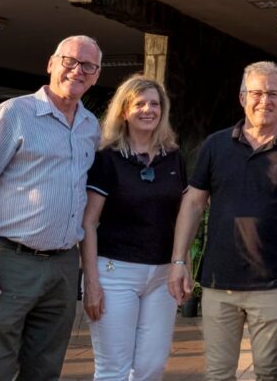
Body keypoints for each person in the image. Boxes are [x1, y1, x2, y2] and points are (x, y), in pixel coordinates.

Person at [0, 35, 102, 380]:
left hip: (63, 266)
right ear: (51, 63)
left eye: (88, 66)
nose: (77, 71)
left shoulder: (90, 126)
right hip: (9, 263)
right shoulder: (14, 114)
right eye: (69, 61)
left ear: (96, 76)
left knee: (45, 369)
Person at [168, 61, 277, 381]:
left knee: (269, 372)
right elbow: (193, 203)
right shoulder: (215, 145)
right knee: (218, 373)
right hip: (218, 283)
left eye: (273, 93)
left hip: (273, 282)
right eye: (256, 93)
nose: (264, 100)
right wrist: (179, 260)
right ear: (242, 98)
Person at [82, 75, 186, 380]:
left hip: (163, 274)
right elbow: (88, 222)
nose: (148, 110)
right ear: (124, 110)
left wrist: (183, 263)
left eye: (154, 104)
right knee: (113, 368)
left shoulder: (174, 156)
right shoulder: (106, 158)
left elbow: (182, 216)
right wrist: (90, 282)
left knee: (151, 366)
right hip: (115, 273)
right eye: (139, 103)